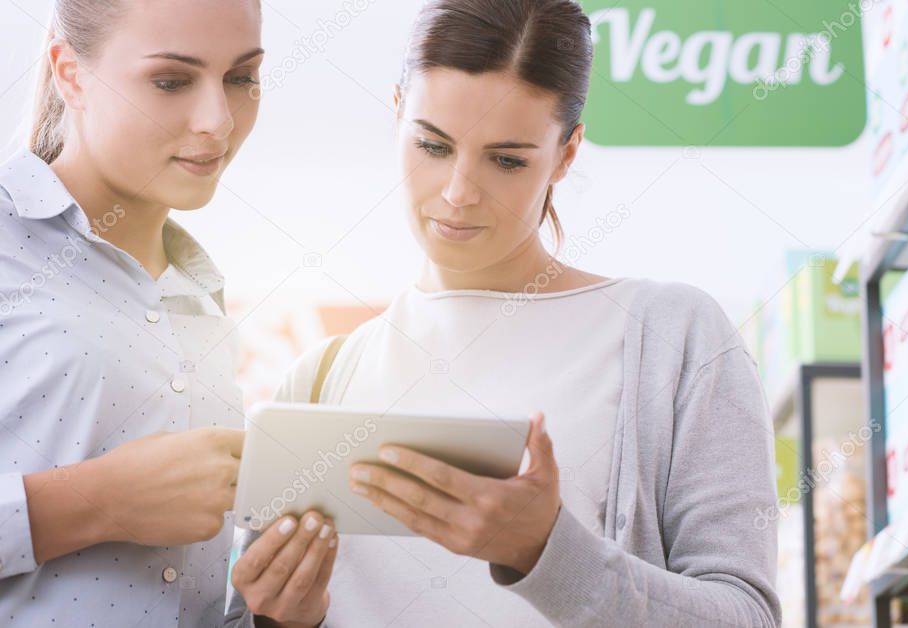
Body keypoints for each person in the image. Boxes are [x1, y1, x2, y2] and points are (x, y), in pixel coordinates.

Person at [229, 0, 781, 626]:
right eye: (432, 145)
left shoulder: (675, 340)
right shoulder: (320, 381)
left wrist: (544, 551)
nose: (459, 192)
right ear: (396, 113)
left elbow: (746, 616)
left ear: (567, 154)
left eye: (507, 159)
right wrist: (280, 621)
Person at [0, 1, 332, 626]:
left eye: (241, 78)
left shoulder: (200, 297)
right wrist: (95, 503)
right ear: (70, 74)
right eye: (172, 81)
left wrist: (276, 616)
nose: (218, 121)